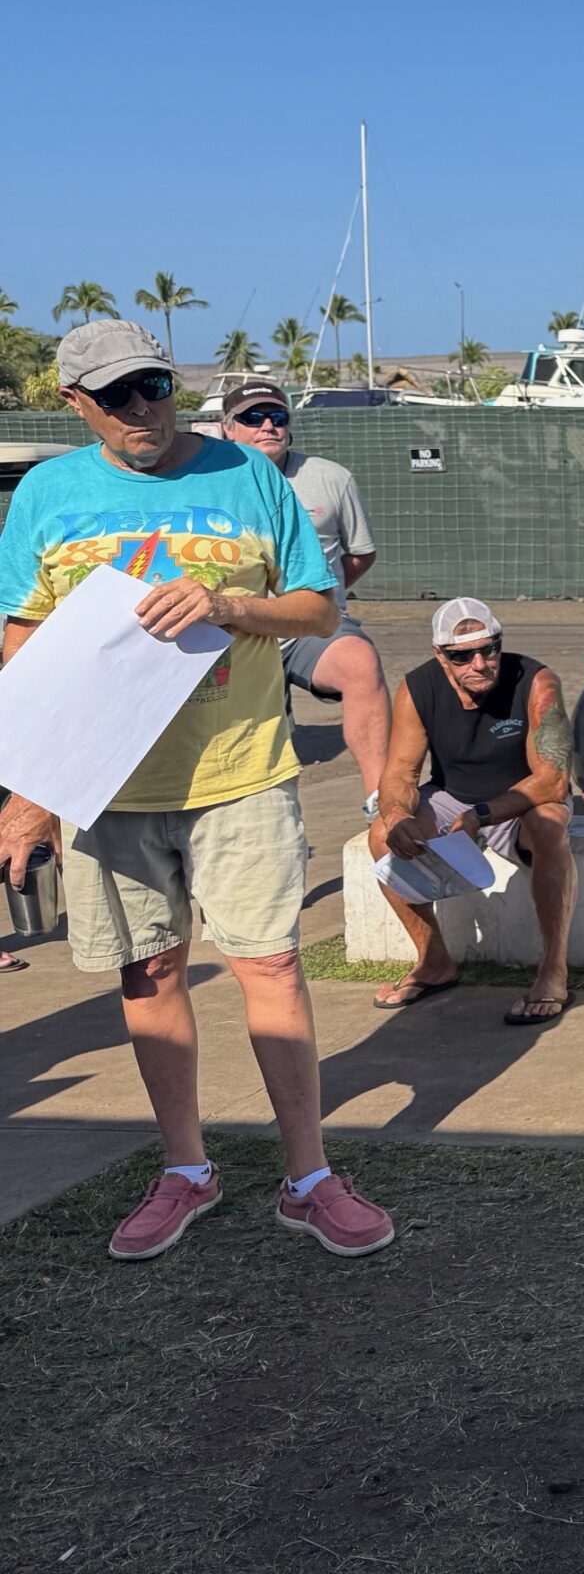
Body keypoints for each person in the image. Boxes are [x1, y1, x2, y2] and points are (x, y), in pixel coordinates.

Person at [0, 320, 394, 1260]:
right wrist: (33, 786)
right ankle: (186, 1170)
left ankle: (308, 1178)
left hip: (241, 770)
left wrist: (225, 604)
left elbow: (319, 604)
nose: (143, 408)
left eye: (156, 387)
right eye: (118, 394)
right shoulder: (48, 493)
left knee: (270, 966)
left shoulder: (248, 475)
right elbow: (20, 640)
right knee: (149, 972)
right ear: (76, 404)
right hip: (111, 784)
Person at [367, 597, 580, 1024]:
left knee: (549, 823)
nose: (480, 664)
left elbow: (554, 780)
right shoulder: (418, 688)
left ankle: (553, 970)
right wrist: (397, 816)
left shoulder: (537, 682)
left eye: (490, 650)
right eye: (462, 656)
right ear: (440, 656)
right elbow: (400, 773)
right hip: (452, 795)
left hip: (522, 797)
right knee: (381, 835)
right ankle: (434, 960)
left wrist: (481, 815)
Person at [220, 380, 394, 812]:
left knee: (360, 662)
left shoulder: (331, 478)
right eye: (252, 418)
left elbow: (359, 555)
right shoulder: (207, 483)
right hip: (230, 630)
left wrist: (317, 600)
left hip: (306, 630)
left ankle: (384, 800)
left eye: (278, 417)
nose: (267, 426)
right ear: (227, 428)